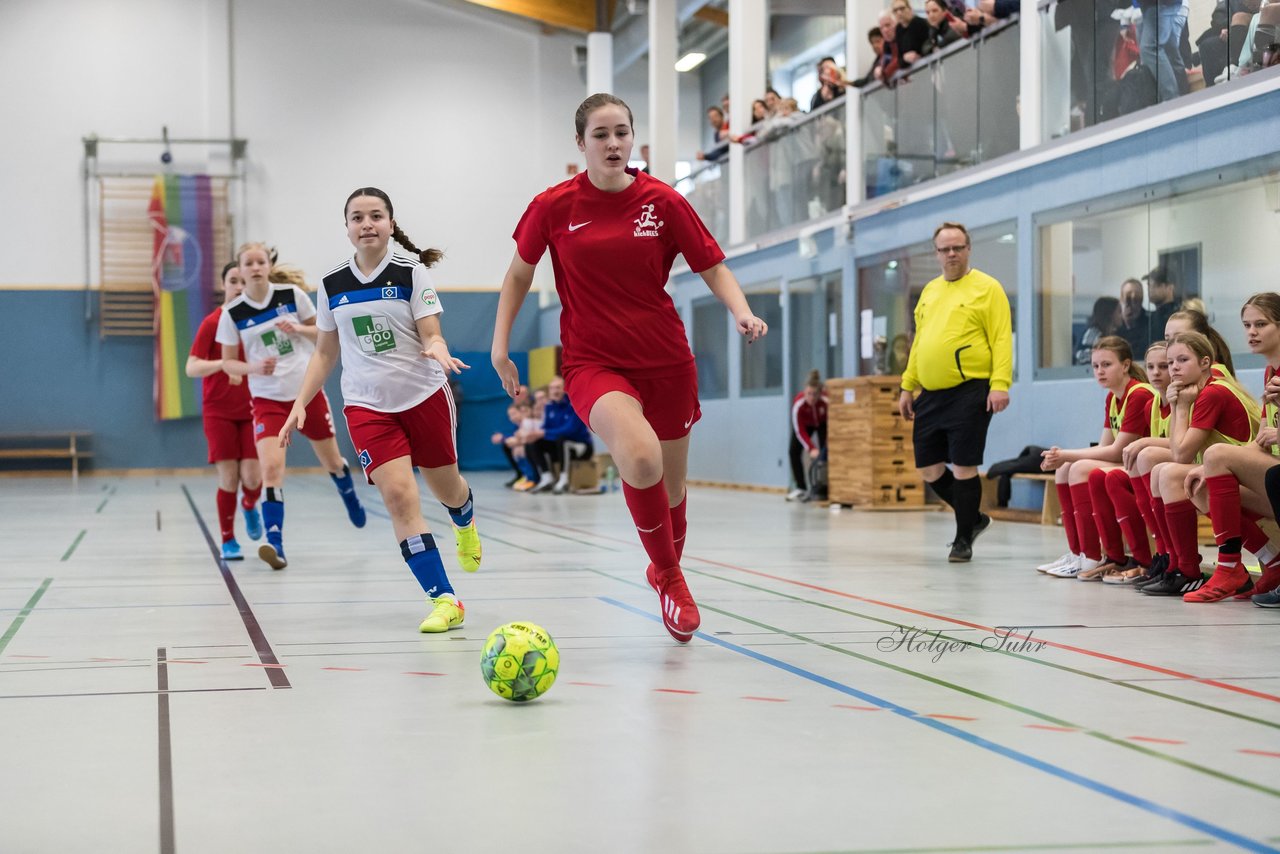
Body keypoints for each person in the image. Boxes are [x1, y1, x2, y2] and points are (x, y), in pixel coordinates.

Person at [491, 93, 768, 644]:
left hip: (665, 358)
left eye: (622, 133)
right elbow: (519, 275)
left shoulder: (662, 201)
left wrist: (742, 310)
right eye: (601, 134)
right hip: (594, 361)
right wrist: (500, 347)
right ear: (581, 143)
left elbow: (712, 265)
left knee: (671, 486)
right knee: (639, 458)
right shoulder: (553, 206)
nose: (614, 143)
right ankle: (669, 576)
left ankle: (666, 570)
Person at [281, 187, 481, 633]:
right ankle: (445, 600)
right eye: (357, 217)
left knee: (447, 488)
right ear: (347, 228)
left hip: (424, 396)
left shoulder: (411, 272)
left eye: (375, 216)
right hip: (367, 405)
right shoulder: (332, 283)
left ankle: (463, 520)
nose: (366, 224)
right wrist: (300, 402)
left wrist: (438, 348)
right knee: (398, 497)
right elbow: (325, 353)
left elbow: (431, 332)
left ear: (391, 224)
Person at [215, 242, 367, 570]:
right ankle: (276, 544)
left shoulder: (291, 296)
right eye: (248, 263)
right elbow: (228, 364)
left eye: (260, 261)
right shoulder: (232, 315)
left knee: (330, 460)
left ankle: (348, 492)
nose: (255, 267)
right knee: (271, 469)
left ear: (268, 265)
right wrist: (253, 368)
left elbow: (323, 337)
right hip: (267, 400)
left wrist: (298, 328)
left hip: (305, 394)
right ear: (239, 270)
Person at [897, 222, 1013, 562]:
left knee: (963, 467)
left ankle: (963, 539)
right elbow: (920, 342)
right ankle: (973, 518)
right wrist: (907, 385)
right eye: (945, 249)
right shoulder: (930, 292)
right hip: (931, 393)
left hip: (971, 390)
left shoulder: (987, 288)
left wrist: (1000, 384)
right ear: (936, 253)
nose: (951, 254)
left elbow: (1001, 338)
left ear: (968, 249)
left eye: (957, 248)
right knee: (928, 469)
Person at [1137, 331, 1259, 597]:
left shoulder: (1210, 393)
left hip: (1250, 479)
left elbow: (1180, 454)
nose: (1174, 368)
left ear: (1205, 362)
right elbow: (1177, 448)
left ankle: (1193, 570)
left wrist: (1179, 408)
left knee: (1173, 475)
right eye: (1171, 362)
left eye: (1182, 360)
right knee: (1163, 470)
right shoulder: (1199, 388)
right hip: (1235, 474)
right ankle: (1176, 563)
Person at [1181, 293, 1280, 603]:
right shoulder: (1270, 373)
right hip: (1273, 477)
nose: (1251, 332)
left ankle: (1227, 566)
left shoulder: (1214, 389)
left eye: (1261, 324)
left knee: (1214, 455)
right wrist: (1206, 467)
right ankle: (1273, 563)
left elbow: (1179, 452)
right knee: (1201, 485)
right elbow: (1263, 439)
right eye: (1247, 325)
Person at [1037, 337, 1156, 579]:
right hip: (1127, 461)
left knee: (1078, 468)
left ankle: (1092, 556)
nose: (1099, 371)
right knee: (1065, 469)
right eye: (1095, 366)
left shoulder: (1138, 394)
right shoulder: (1113, 397)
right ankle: (1079, 553)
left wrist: (1065, 455)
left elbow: (1115, 451)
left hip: (1142, 464)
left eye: (1106, 365)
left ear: (1125, 365)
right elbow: (1105, 446)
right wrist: (1062, 458)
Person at [185, 261, 263, 561]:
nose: (239, 287)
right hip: (219, 411)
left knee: (253, 477)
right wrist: (224, 363)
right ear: (224, 285)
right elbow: (191, 367)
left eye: (243, 281)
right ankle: (228, 539)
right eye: (233, 281)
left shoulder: (258, 322)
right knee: (229, 477)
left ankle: (249, 505)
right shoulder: (213, 323)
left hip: (254, 407)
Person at [538, 375, 593, 494]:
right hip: (560, 445)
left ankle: (564, 479)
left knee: (563, 440)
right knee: (536, 443)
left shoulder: (574, 404)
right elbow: (546, 428)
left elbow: (570, 429)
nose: (555, 391)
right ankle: (546, 477)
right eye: (552, 388)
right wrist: (537, 434)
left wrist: (545, 432)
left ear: (564, 389)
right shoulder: (549, 407)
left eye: (558, 387)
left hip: (581, 446)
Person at [788, 369, 829, 501]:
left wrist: (824, 446)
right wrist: (811, 448)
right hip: (806, 425)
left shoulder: (826, 400)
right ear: (804, 392)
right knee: (793, 451)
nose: (811, 397)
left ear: (820, 393)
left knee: (826, 452)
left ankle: (826, 486)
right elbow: (799, 430)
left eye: (815, 394)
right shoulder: (798, 405)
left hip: (823, 422)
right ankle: (801, 487)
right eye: (809, 394)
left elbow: (833, 423)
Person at [1074, 296, 1121, 365]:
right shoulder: (1092, 334)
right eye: (1119, 312)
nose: (1122, 316)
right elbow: (1083, 359)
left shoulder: (1112, 337)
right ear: (1110, 314)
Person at [1117, 278, 1151, 357]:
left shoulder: (1151, 324)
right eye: (1128, 295)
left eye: (1137, 296)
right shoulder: (1114, 324)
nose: (1133, 297)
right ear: (1122, 298)